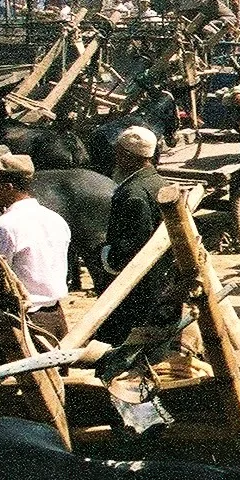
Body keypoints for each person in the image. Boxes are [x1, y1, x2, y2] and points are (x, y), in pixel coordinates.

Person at [0, 152, 72, 339]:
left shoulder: (4, 226)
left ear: (8, 187)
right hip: (56, 317)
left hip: (24, 321)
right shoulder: (56, 219)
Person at [99, 127, 177, 344]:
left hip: (140, 292)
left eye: (117, 153)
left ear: (126, 156)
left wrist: (106, 255)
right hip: (165, 285)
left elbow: (132, 247)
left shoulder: (133, 193)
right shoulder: (160, 184)